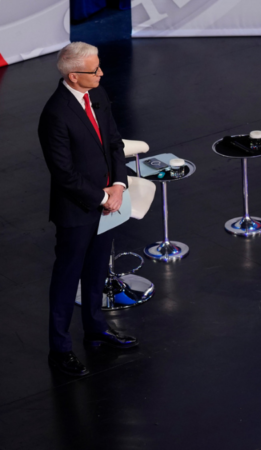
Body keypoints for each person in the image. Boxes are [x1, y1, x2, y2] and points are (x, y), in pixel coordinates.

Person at [39, 42, 138, 377]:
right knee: (67, 280)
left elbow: (114, 141)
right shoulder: (55, 114)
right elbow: (64, 173)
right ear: (73, 76)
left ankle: (96, 330)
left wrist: (119, 185)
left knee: (96, 271)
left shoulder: (97, 93)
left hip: (110, 202)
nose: (101, 73)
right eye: (94, 70)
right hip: (78, 210)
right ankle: (60, 350)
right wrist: (102, 197)